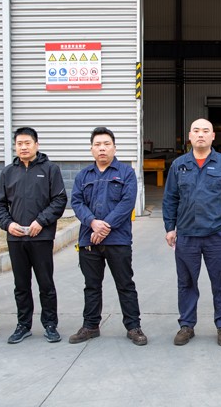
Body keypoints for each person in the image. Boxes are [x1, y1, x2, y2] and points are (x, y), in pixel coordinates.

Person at [163, 118, 221, 347]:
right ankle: (187, 325)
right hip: (187, 234)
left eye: (205, 131)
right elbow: (170, 198)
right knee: (186, 282)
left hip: (217, 234)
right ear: (190, 136)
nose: (200, 134)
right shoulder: (179, 165)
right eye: (196, 131)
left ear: (213, 136)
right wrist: (170, 227)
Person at [69, 127, 147, 346]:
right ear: (91, 149)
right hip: (89, 239)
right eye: (97, 145)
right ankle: (90, 326)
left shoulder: (126, 173)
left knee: (125, 284)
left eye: (106, 144)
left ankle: (133, 327)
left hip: (118, 240)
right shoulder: (83, 175)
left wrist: (105, 226)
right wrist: (92, 222)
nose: (102, 148)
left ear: (114, 147)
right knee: (91, 285)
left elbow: (127, 203)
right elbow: (76, 202)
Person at [0, 127, 67, 344]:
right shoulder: (8, 172)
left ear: (37, 144)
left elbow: (59, 200)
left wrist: (40, 222)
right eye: (19, 144)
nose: (23, 147)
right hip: (16, 238)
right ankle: (23, 325)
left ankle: (50, 324)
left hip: (41, 237)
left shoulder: (50, 169)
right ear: (15, 146)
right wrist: (8, 224)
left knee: (46, 283)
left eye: (27, 143)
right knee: (21, 285)